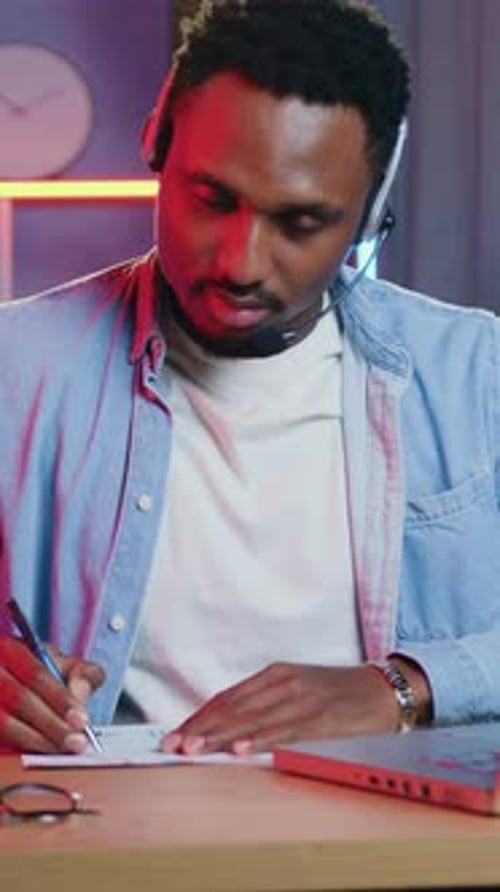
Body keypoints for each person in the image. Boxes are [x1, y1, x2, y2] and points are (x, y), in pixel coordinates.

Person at [0, 0, 499, 757]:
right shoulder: (18, 367)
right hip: (105, 846)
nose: (239, 262)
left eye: (301, 223)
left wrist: (404, 685)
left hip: (395, 850)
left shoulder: (477, 376)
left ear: (368, 214)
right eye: (211, 200)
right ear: (155, 143)